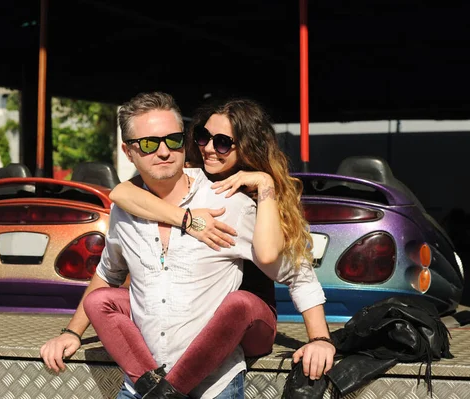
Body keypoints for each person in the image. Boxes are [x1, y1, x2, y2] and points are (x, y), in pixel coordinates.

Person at [86, 96, 335, 397]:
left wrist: (320, 338)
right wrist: (188, 220)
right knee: (99, 300)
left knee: (237, 304)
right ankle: (152, 386)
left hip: (249, 318)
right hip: (200, 316)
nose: (206, 148)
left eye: (221, 143)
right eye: (202, 137)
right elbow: (123, 193)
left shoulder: (246, 199)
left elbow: (286, 266)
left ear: (246, 148)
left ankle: (167, 392)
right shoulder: (189, 173)